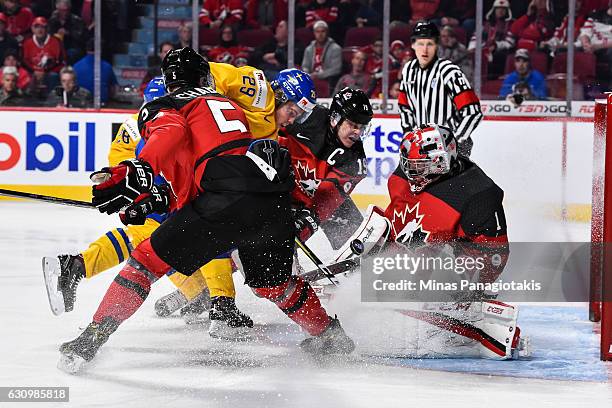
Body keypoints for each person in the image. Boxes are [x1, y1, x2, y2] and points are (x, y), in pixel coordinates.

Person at [56, 48, 353, 373]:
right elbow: (208, 167)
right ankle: (328, 335)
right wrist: (157, 200)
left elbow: (173, 136)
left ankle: (89, 340)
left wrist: (138, 170)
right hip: (272, 202)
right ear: (205, 77)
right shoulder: (234, 107)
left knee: (144, 263)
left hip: (223, 197)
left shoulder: (165, 106)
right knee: (273, 284)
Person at [398, 20, 482, 157]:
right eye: (420, 43)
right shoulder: (408, 70)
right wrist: (408, 134)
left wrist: (455, 141)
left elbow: (473, 112)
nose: (424, 50)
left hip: (454, 146)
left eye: (429, 44)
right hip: (423, 146)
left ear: (437, 45)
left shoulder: (449, 71)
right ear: (413, 45)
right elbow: (404, 106)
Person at [467, 0, 515, 80]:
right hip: (483, 49)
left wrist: (496, 45)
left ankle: (491, 80)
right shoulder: (486, 24)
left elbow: (510, 43)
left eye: (503, 9)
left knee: (497, 56)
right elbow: (475, 37)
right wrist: (472, 48)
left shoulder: (510, 24)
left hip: (500, 52)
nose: (500, 11)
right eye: (498, 8)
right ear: (494, 10)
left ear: (507, 11)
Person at [22, 17, 66, 97]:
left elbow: (60, 61)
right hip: (32, 72)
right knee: (26, 77)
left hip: (50, 71)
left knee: (53, 76)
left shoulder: (56, 41)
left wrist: (44, 71)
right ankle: (28, 99)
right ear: (32, 29)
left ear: (47, 28)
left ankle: (53, 99)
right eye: (36, 27)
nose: (39, 30)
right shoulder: (26, 42)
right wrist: (35, 71)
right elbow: (24, 61)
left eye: (42, 27)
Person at [73, 39, 119, 105]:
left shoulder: (76, 66)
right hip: (101, 105)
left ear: (86, 49)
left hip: (80, 105)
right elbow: (114, 89)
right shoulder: (107, 66)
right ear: (100, 50)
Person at [301, 20, 342, 86]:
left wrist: (318, 75)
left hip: (327, 80)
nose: (320, 34)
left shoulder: (336, 48)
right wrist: (308, 75)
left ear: (327, 32)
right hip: (311, 79)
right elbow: (305, 66)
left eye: (323, 31)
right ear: (314, 33)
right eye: (317, 32)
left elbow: (336, 69)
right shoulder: (308, 49)